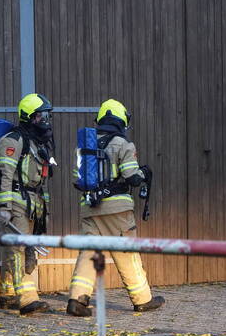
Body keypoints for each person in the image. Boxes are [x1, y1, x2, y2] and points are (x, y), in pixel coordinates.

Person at [66, 99, 165, 317]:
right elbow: (131, 177)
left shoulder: (85, 146)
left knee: (89, 253)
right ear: (121, 121)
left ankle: (77, 300)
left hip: (90, 208)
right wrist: (142, 174)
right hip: (117, 210)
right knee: (127, 253)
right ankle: (143, 299)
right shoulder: (123, 144)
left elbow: (77, 179)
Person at [0, 93, 55, 315]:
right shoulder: (13, 140)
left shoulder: (38, 143)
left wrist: (44, 211)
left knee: (18, 247)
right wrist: (4, 207)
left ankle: (8, 294)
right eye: (42, 115)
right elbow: (4, 175)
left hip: (33, 202)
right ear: (30, 117)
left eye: (47, 115)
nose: (46, 120)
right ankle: (26, 299)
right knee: (19, 248)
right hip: (16, 199)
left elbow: (41, 179)